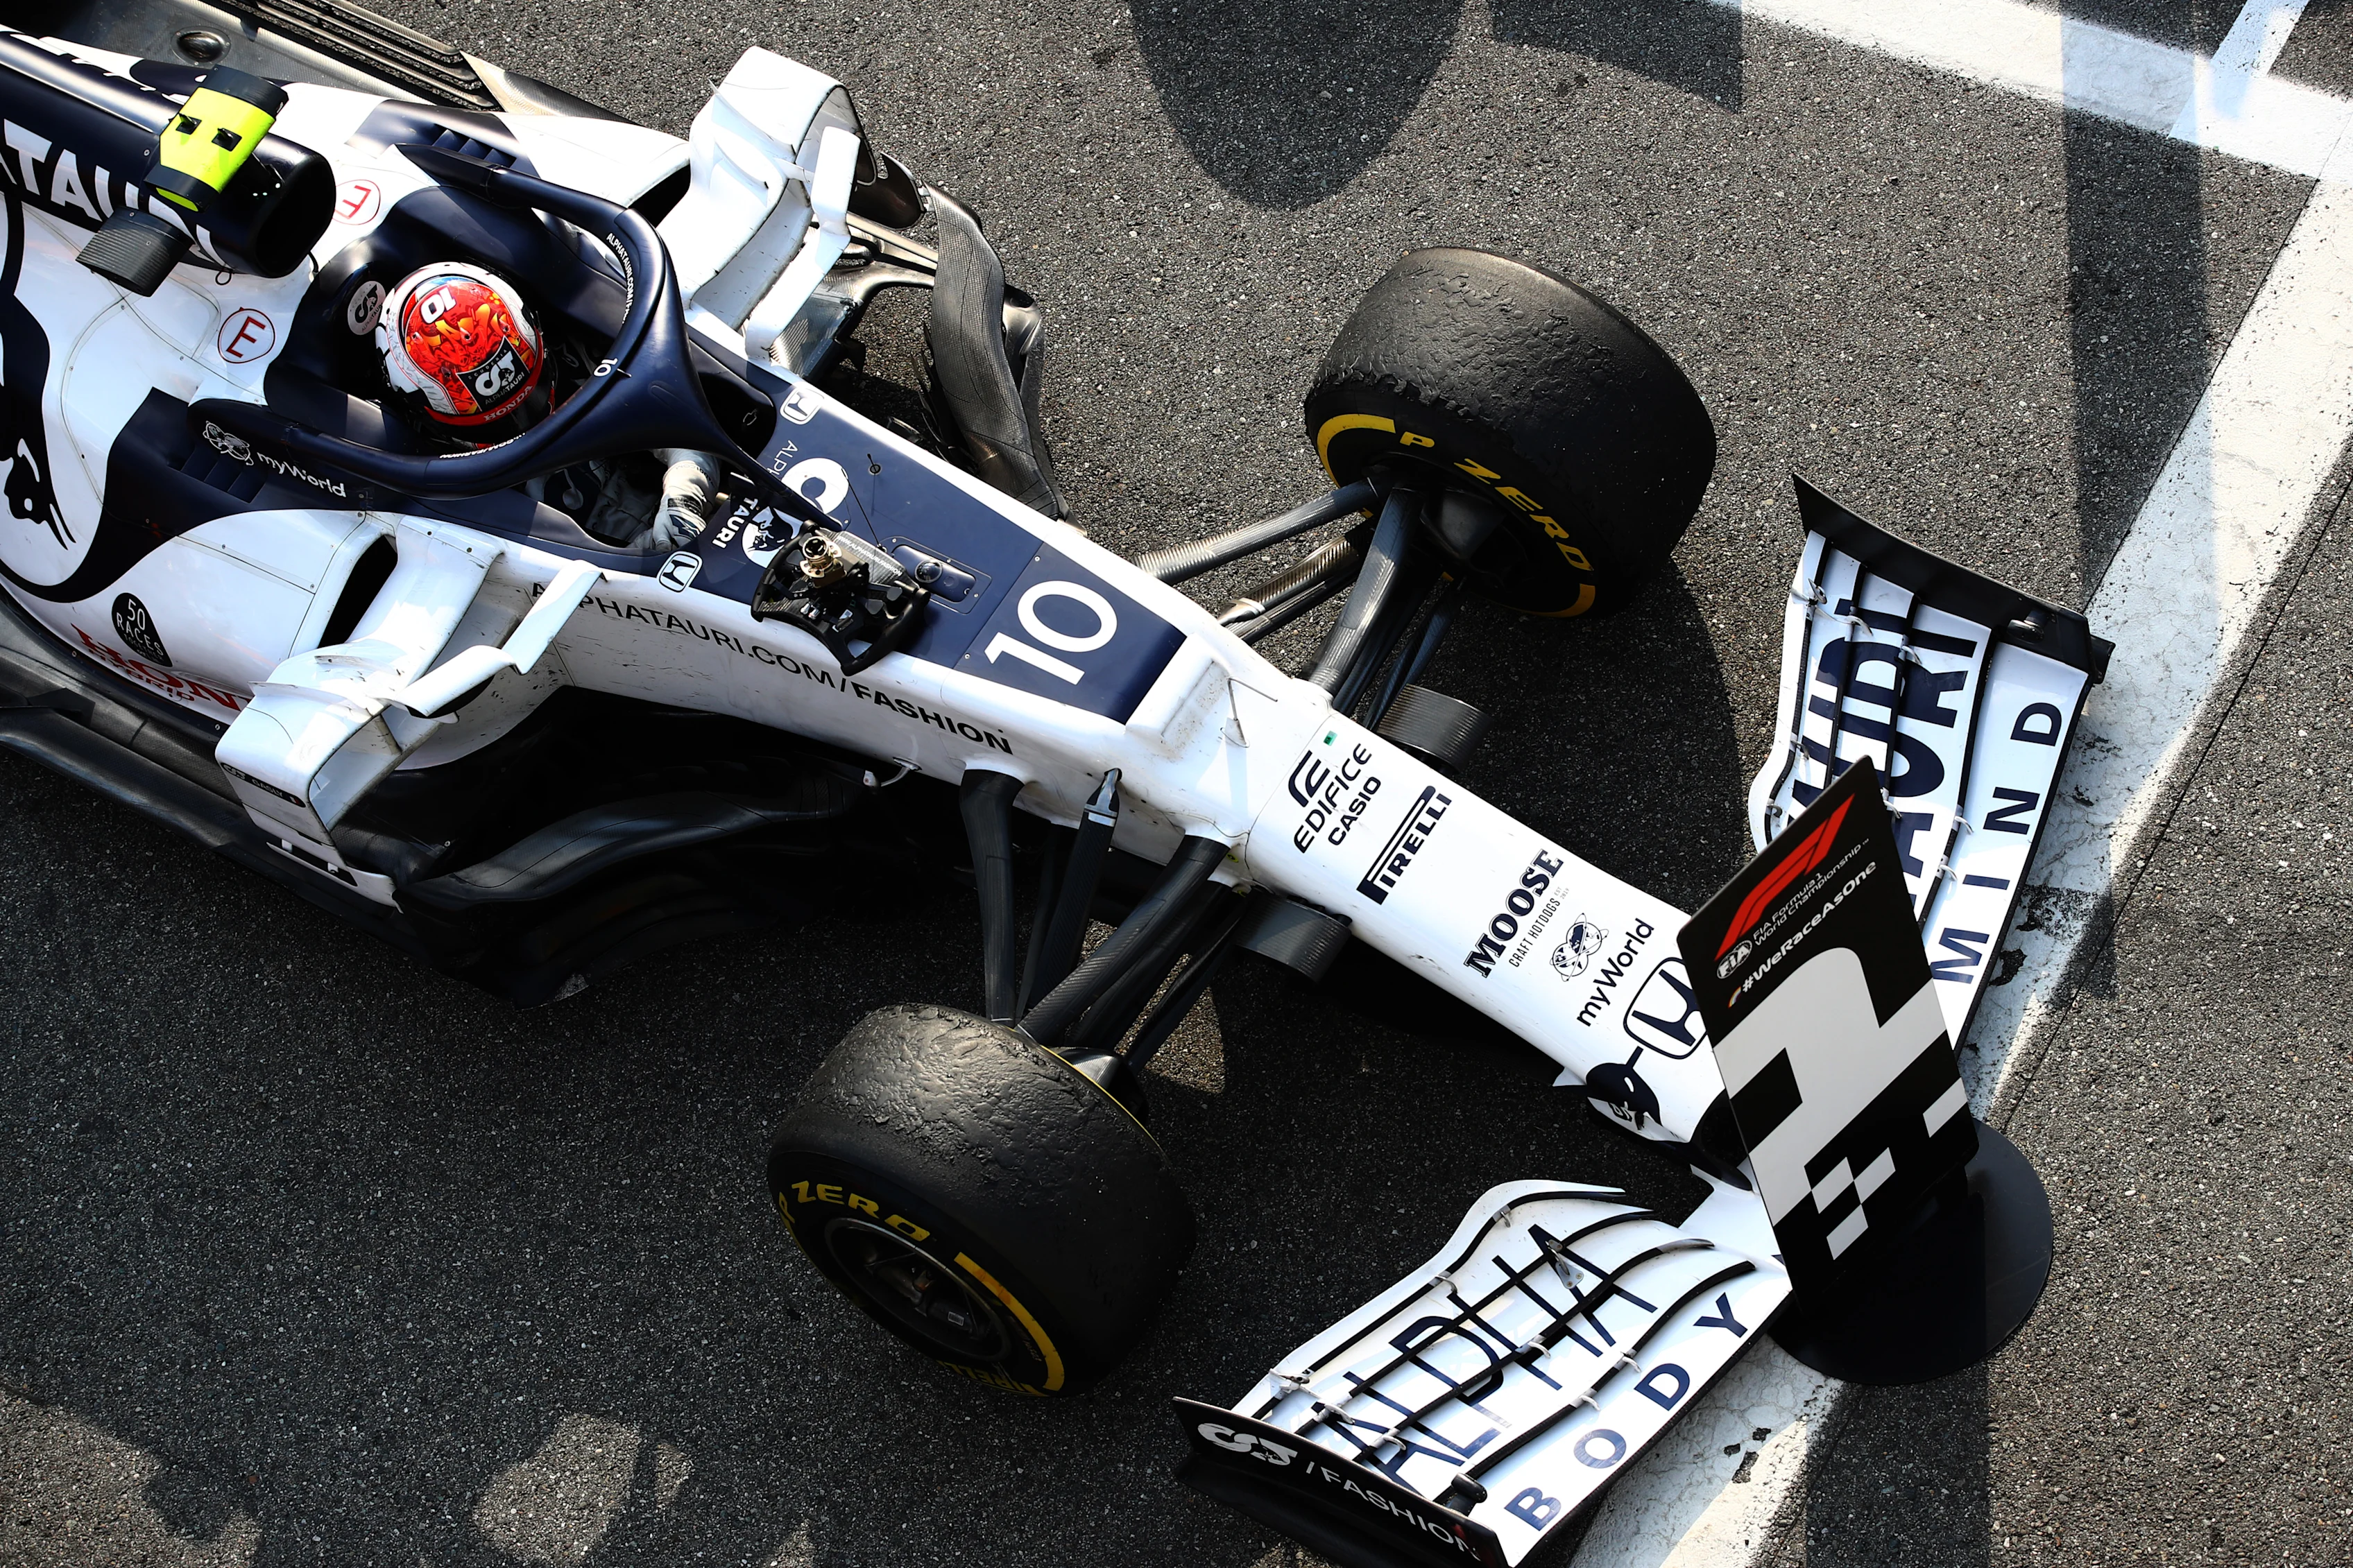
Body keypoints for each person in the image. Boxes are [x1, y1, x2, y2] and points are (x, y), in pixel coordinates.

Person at [376, 261, 719, 551]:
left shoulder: (577, 353)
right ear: (420, 409)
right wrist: (648, 552)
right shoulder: (433, 482)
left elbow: (676, 418)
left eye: (530, 394)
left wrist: (685, 491)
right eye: (500, 421)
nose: (527, 424)